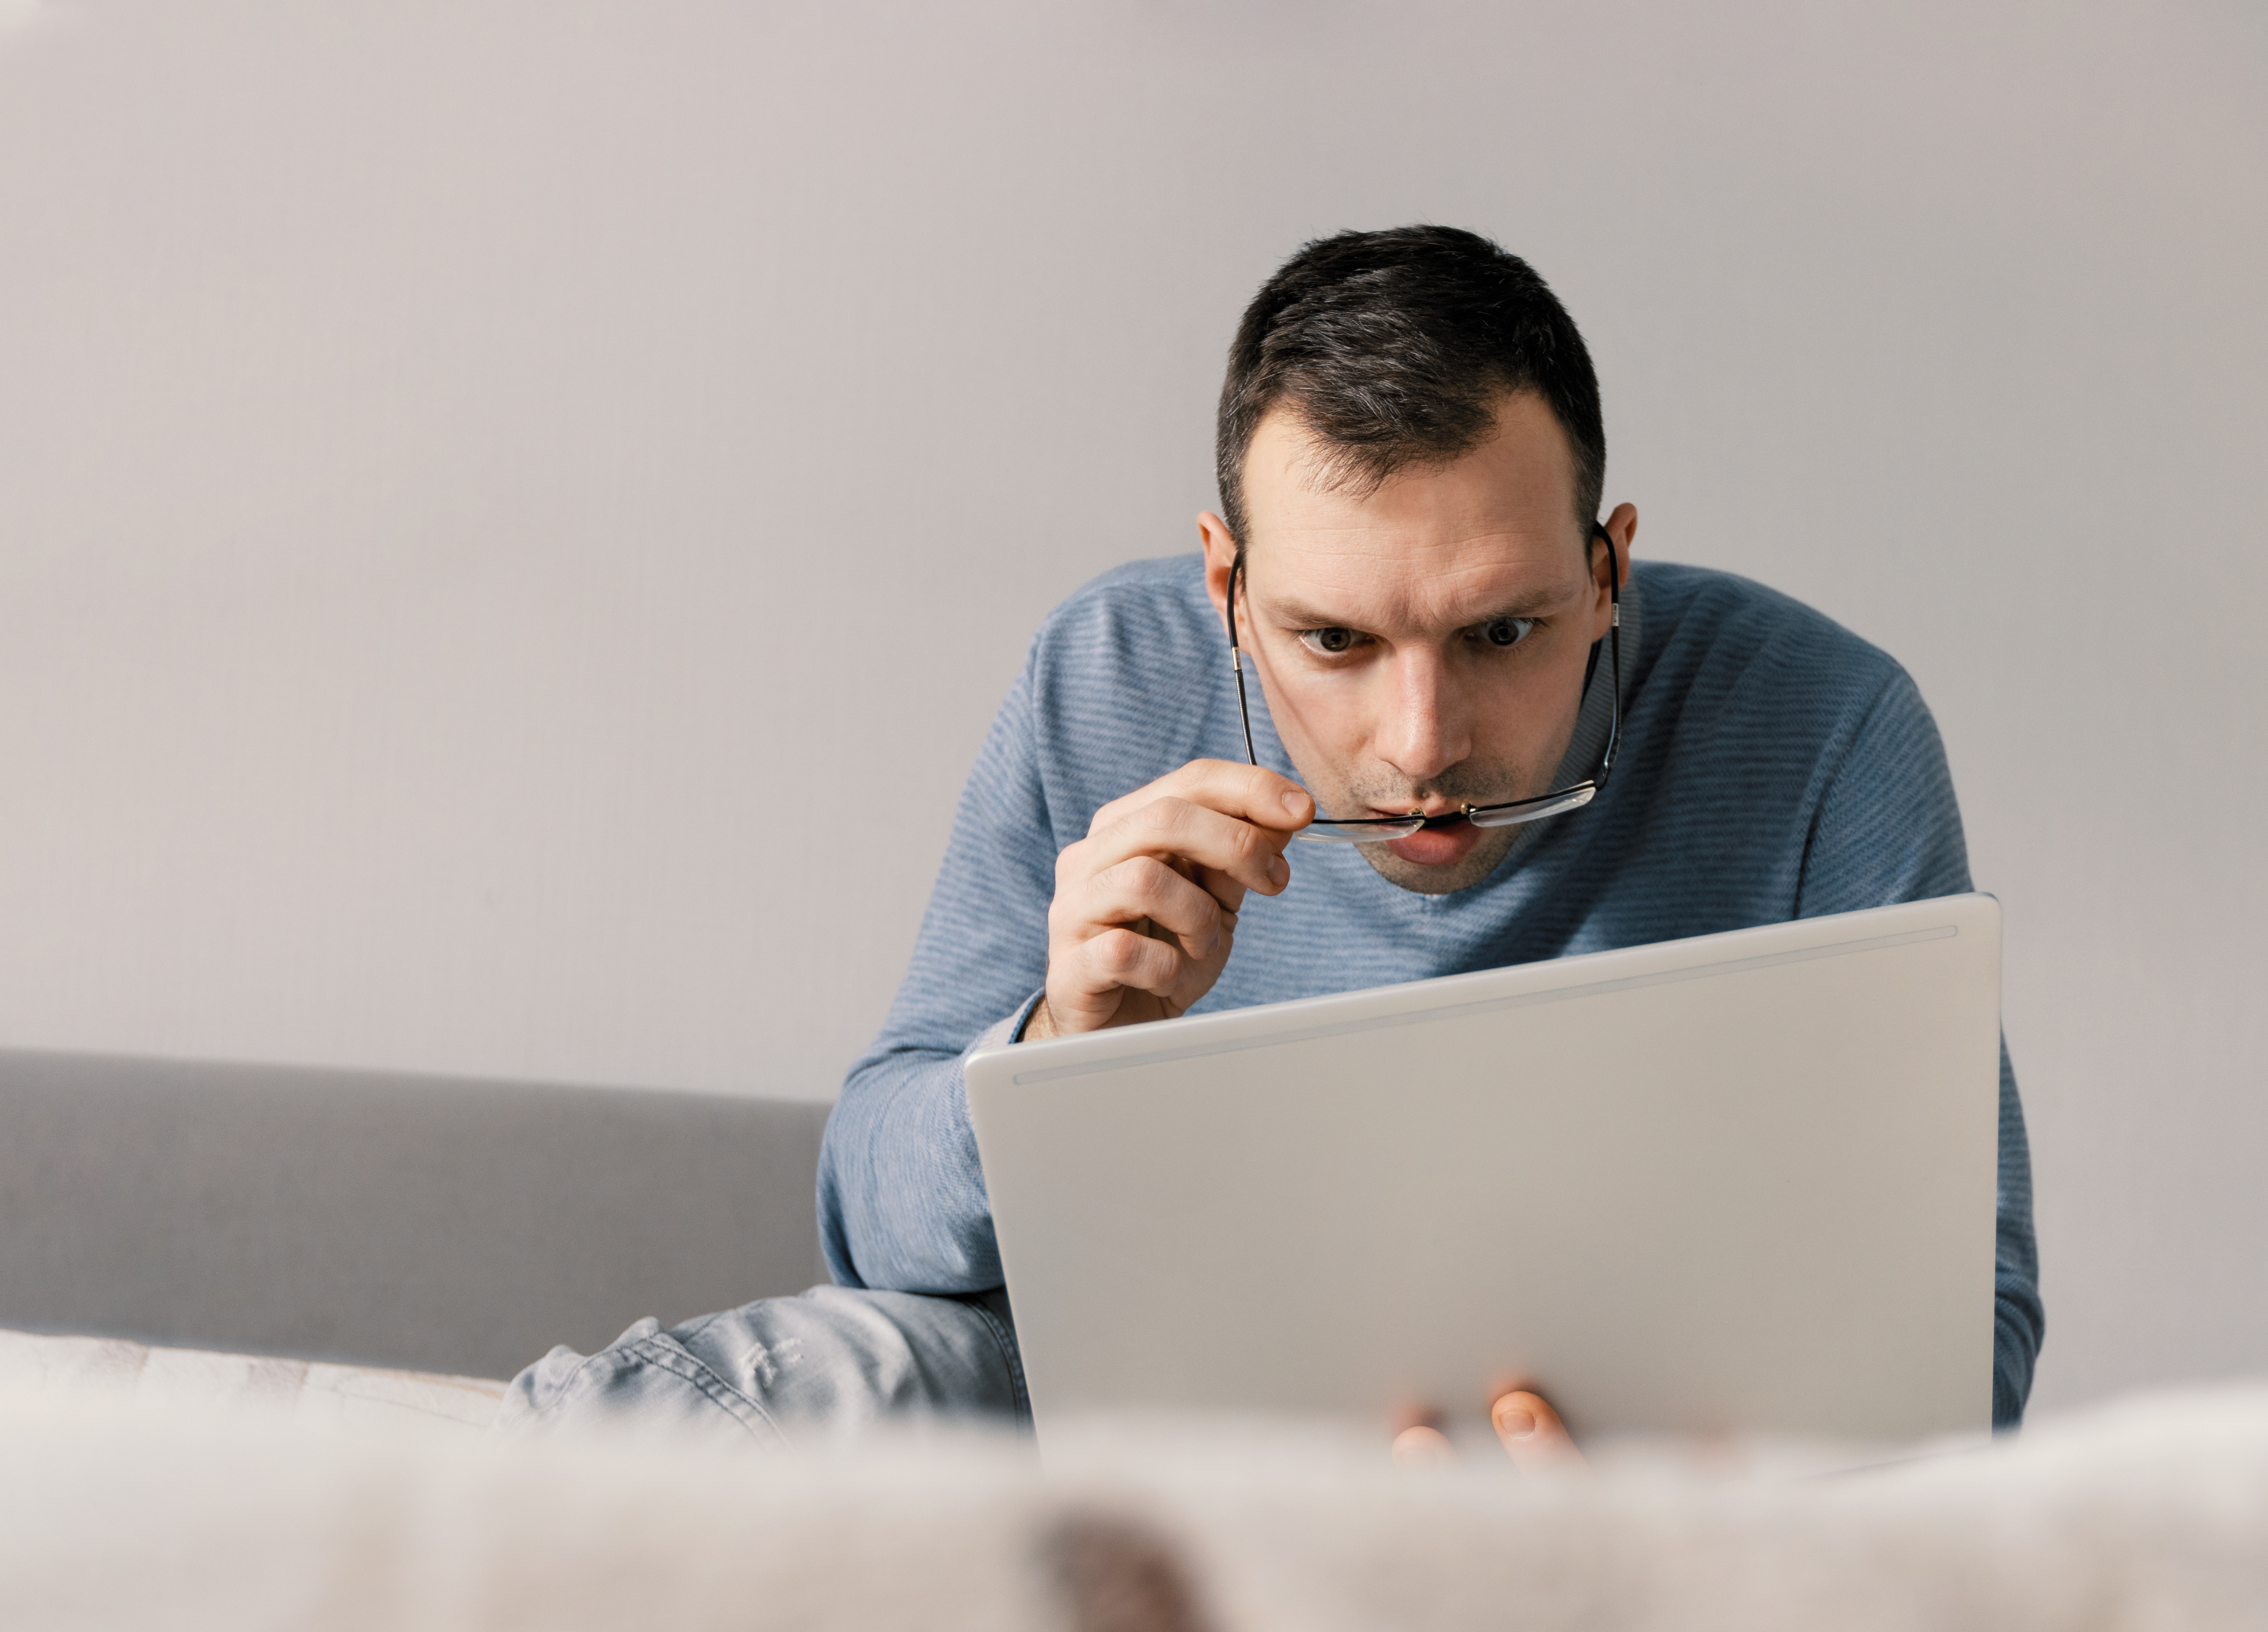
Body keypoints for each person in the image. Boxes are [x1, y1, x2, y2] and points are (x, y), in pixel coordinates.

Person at [500, 226, 2043, 1456]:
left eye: (1503, 630)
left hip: (1624, 1484)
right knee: (804, 1386)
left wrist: (1644, 1486)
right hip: (1153, 1427)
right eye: (1331, 640)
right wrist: (1052, 1044)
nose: (1422, 740)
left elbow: (1968, 1336)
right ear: (1224, 587)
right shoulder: (1101, 675)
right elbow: (867, 1221)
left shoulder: (1832, 730)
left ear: (1610, 569)